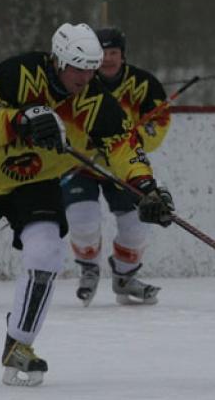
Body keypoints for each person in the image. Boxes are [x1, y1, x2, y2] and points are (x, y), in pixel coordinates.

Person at [0, 23, 175, 386]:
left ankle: (19, 346)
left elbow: (124, 147)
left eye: (91, 68)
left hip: (36, 180)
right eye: (78, 68)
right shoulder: (19, 72)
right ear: (58, 61)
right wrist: (19, 121)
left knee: (45, 252)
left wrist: (147, 188)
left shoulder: (96, 103)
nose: (86, 76)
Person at [61, 27, 171, 306]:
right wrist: (88, 141)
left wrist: (133, 138)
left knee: (135, 226)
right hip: (81, 164)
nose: (108, 59)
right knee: (82, 221)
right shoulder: (78, 81)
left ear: (123, 55)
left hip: (123, 168)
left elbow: (158, 126)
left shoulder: (144, 84)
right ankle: (88, 267)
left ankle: (125, 277)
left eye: (114, 53)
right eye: (103, 54)